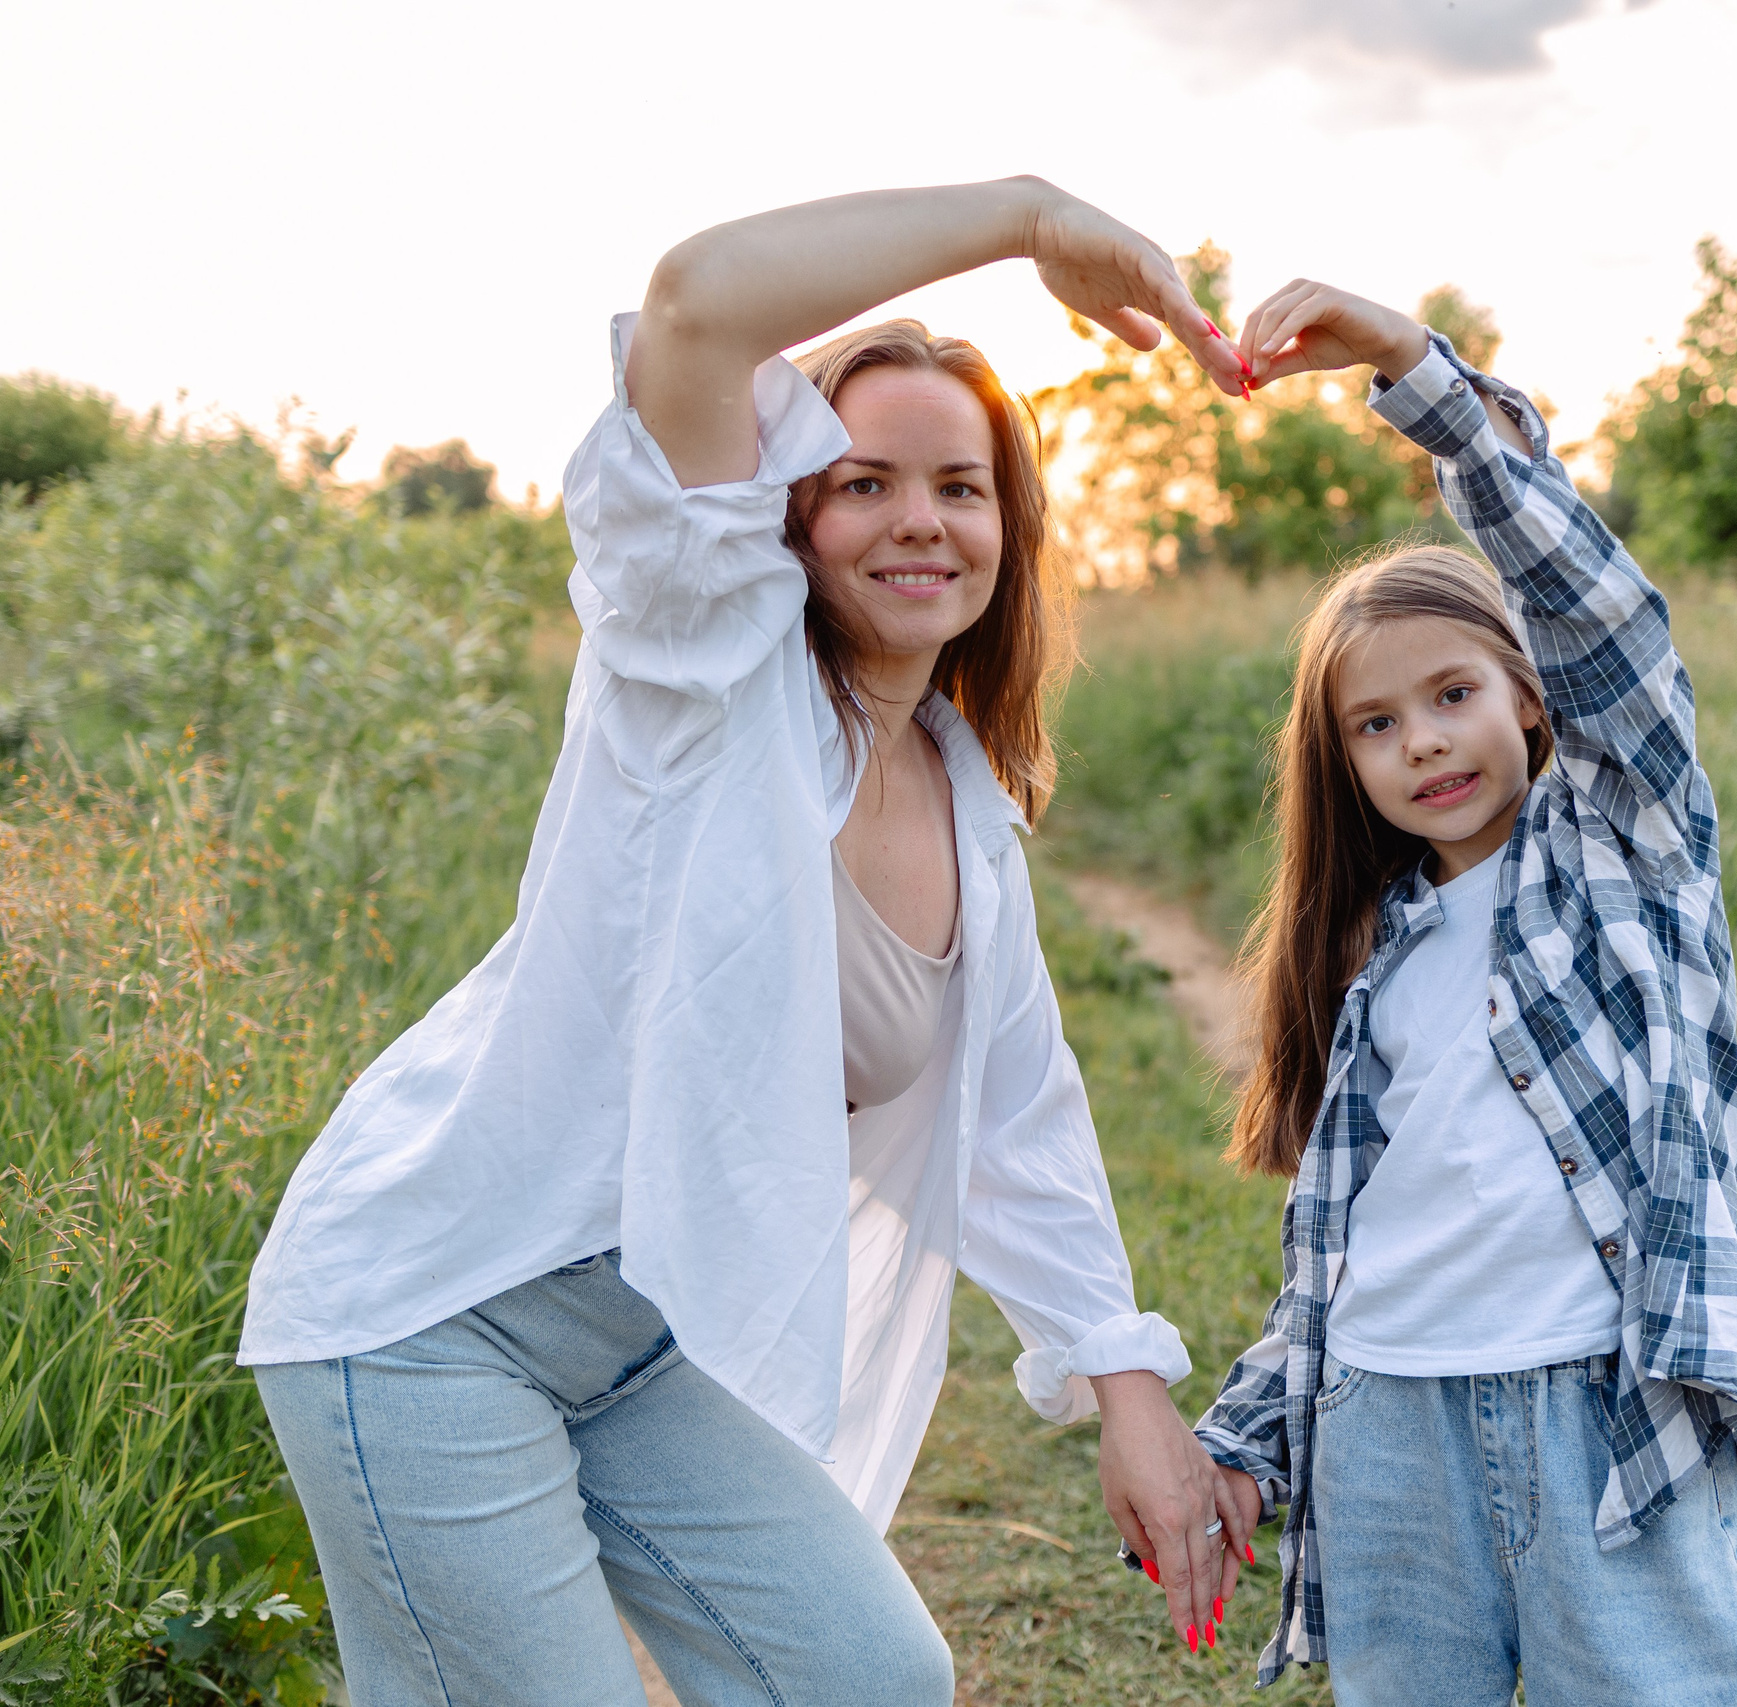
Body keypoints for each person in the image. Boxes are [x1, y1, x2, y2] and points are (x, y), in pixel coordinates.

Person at [237, 179, 1255, 1707]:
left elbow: (1019, 1122)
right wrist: (1028, 220)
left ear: (1010, 534)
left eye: (963, 487)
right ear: (788, 515)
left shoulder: (970, 803)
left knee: (864, 1676)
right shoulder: (704, 672)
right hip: (426, 1320)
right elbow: (700, 310)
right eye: (866, 482)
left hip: (637, 1350)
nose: (921, 516)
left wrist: (1130, 1395)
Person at [1195, 280, 1737, 1704]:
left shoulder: (1624, 853)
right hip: (1387, 1420)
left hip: (1598, 1406)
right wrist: (1247, 1432)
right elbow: (1347, 1248)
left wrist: (1421, 381)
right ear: (1345, 763)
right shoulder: (1372, 958)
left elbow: (1610, 625)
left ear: (1530, 693)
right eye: (1378, 725)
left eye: (1454, 694)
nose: (1424, 743)